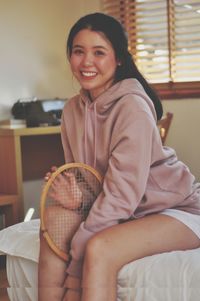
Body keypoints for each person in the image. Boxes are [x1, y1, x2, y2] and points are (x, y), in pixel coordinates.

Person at [38, 12, 200, 301]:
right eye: (78, 51)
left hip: (177, 211)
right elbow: (94, 180)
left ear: (120, 59)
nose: (87, 62)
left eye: (99, 52)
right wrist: (79, 199)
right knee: (51, 221)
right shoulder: (71, 111)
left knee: (99, 247)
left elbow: (121, 196)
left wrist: (76, 274)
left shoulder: (132, 107)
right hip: (129, 211)